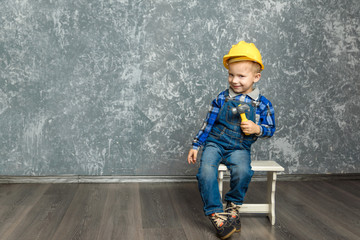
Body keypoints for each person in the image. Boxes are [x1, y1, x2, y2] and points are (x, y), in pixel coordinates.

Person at [187, 41, 276, 239]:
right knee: (205, 173)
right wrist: (196, 144)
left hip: (239, 147)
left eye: (241, 76)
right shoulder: (222, 98)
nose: (234, 80)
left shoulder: (263, 104)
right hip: (215, 143)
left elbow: (271, 129)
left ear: (256, 77)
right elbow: (208, 124)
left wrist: (257, 128)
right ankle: (215, 213)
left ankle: (233, 206)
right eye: (231, 74)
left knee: (243, 171)